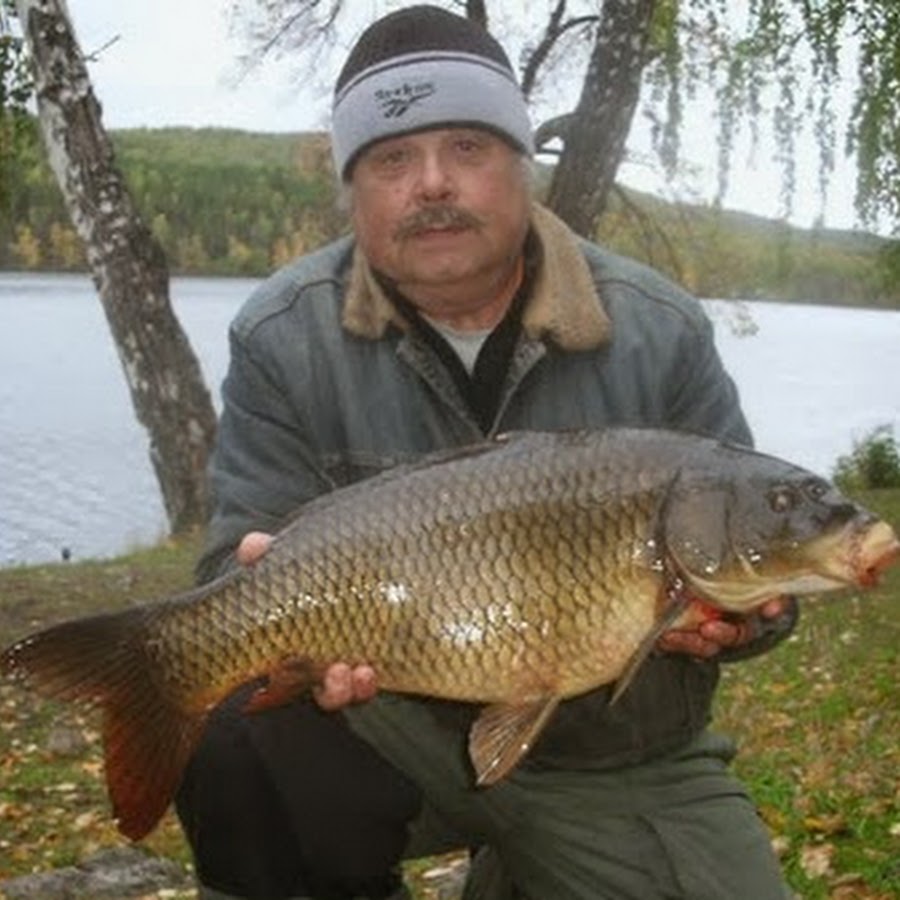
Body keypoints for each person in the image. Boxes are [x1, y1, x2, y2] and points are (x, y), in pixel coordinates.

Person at [175, 6, 797, 899]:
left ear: (521, 167)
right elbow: (227, 565)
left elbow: (757, 557)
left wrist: (747, 621)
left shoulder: (660, 331)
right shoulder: (284, 334)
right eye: (392, 158)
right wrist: (289, 627)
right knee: (233, 733)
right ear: (355, 189)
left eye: (467, 146)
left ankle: (523, 868)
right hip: (386, 725)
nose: (432, 183)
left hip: (614, 760)